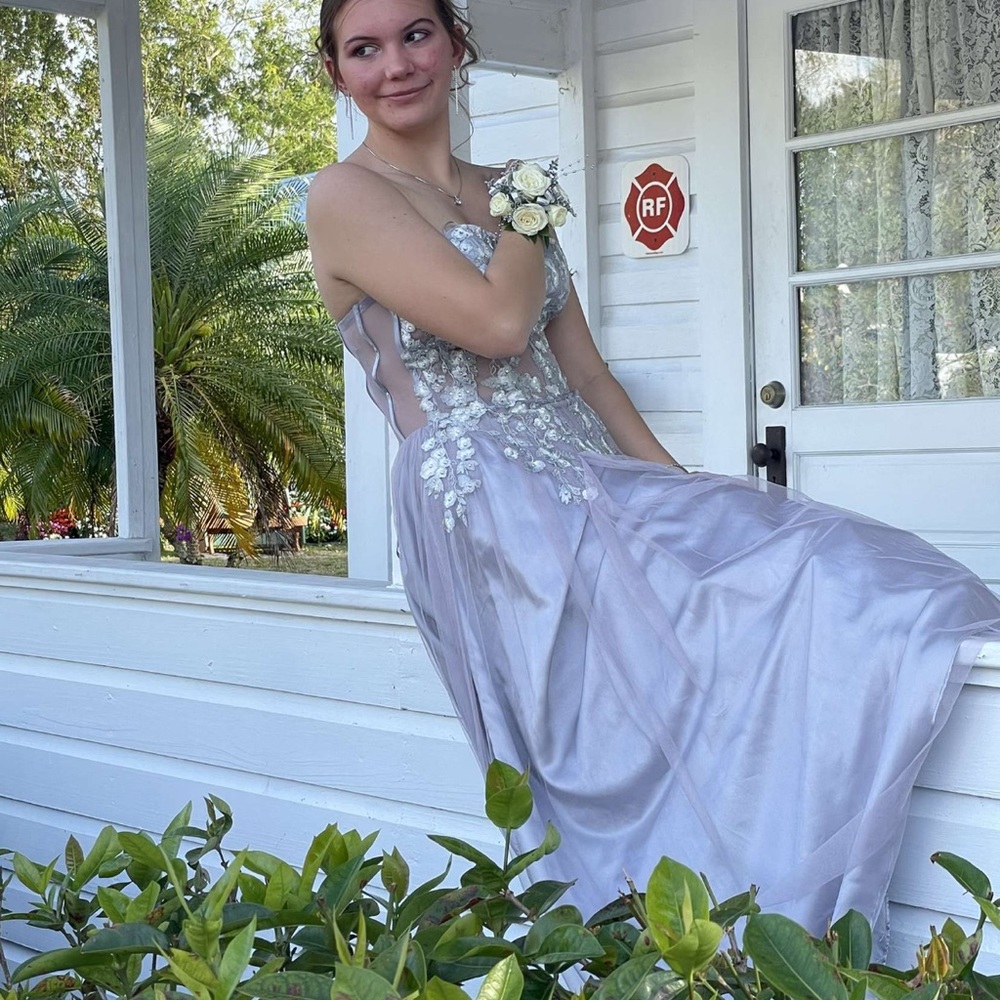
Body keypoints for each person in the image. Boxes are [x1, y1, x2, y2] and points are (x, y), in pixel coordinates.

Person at [306, 0, 1000, 953]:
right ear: (337, 72)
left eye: (416, 34)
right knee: (603, 738)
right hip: (488, 500)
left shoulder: (508, 188)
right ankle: (637, 937)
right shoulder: (345, 196)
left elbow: (587, 375)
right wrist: (526, 212)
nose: (396, 64)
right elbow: (498, 325)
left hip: (585, 472)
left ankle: (749, 913)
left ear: (456, 42)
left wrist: (689, 494)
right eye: (364, 48)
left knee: (789, 568)